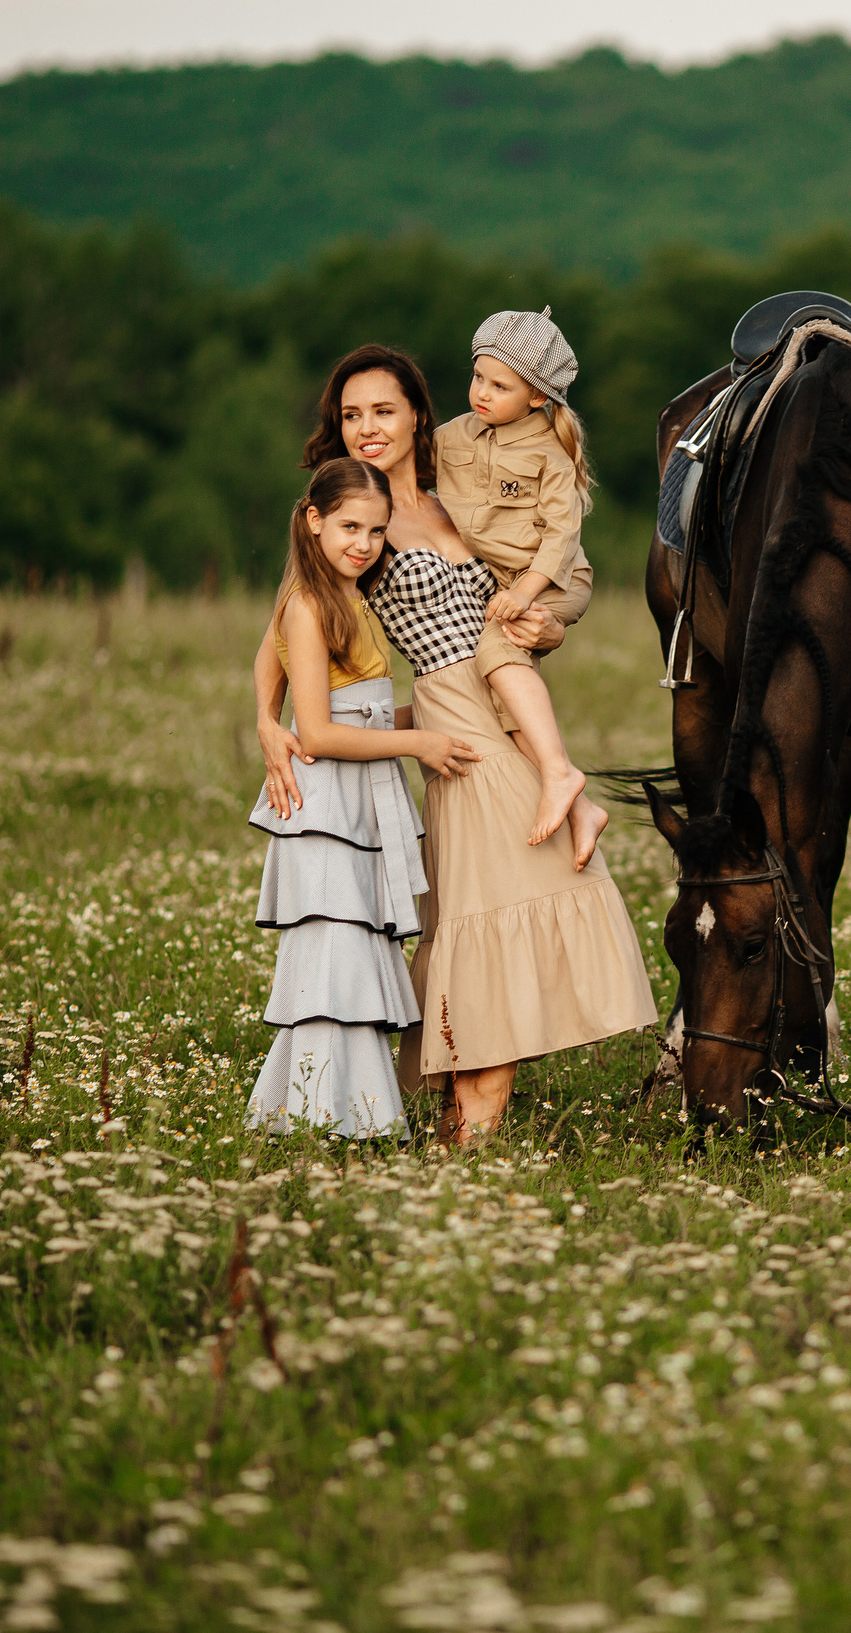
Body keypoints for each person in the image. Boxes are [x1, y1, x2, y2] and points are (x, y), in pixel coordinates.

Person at [255, 344, 657, 1149]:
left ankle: (457, 1146)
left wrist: (548, 622)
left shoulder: (453, 501)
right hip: (456, 732)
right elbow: (284, 625)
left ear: (417, 416)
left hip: (502, 709)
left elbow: (542, 575)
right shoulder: (352, 519)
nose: (367, 429)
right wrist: (269, 720)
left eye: (383, 411)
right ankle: (464, 1150)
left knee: (506, 915)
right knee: (482, 932)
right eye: (351, 415)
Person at [246, 458, 474, 1140]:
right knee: (332, 944)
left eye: (376, 530)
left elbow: (343, 701)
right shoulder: (309, 602)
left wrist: (432, 715)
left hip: (363, 794)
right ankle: (330, 1112)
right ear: (312, 521)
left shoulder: (352, 598)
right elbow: (316, 731)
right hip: (329, 801)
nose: (364, 543)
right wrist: (417, 745)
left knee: (355, 943)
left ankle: (330, 1108)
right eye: (349, 526)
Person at [431, 307, 605, 863]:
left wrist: (526, 593)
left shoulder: (550, 453)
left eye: (500, 385)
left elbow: (560, 537)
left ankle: (558, 774)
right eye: (479, 376)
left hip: (554, 579)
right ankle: (581, 808)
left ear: (536, 397)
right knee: (504, 702)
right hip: (500, 583)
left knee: (499, 646)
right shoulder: (453, 437)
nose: (482, 392)